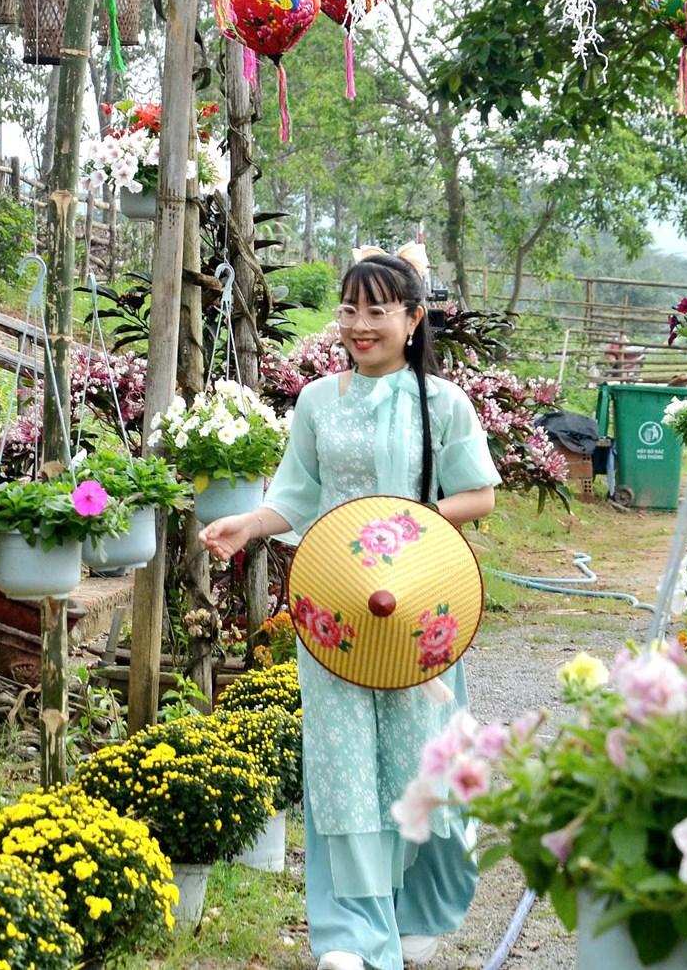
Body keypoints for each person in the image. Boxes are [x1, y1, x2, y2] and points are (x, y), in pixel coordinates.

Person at [200, 253, 498, 970]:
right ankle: (350, 935)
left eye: (378, 311)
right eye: (349, 310)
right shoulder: (317, 402)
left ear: (412, 318)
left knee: (413, 756)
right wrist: (248, 523)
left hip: (417, 608)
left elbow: (479, 493)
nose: (359, 326)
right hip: (333, 608)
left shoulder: (442, 403)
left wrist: (411, 523)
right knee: (341, 765)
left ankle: (417, 907)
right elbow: (297, 494)